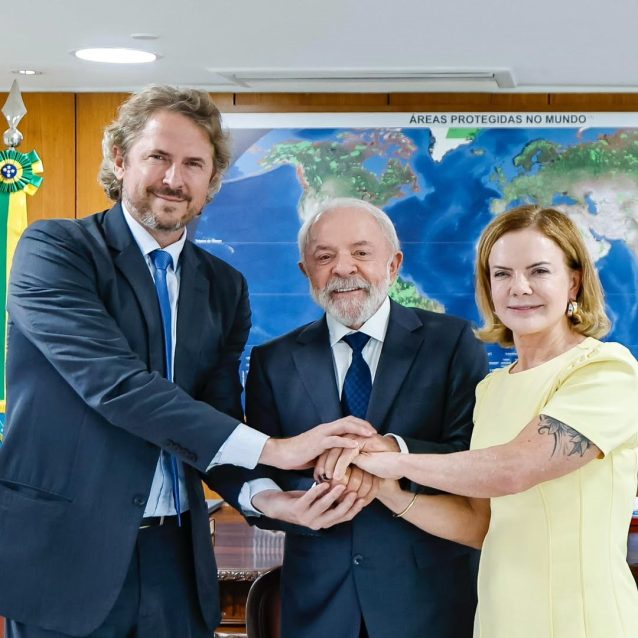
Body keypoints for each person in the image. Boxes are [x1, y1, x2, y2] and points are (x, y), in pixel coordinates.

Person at [0, 86, 375, 638]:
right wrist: (274, 449)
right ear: (120, 159)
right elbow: (116, 385)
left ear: (212, 180)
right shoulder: (55, 251)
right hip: (66, 559)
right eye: (158, 157)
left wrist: (268, 497)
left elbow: (214, 416)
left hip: (176, 561)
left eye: (194, 164)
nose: (174, 179)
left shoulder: (224, 286)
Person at [353, 205, 638, 638]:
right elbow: (481, 525)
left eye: (539, 271)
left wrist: (394, 459)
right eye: (502, 274)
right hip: (499, 623)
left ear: (574, 281)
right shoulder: (491, 389)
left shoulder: (607, 370)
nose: (519, 287)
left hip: (582, 622)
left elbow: (513, 469)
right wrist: (388, 492)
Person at [213, 198, 488, 638]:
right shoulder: (273, 361)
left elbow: (471, 458)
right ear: (306, 271)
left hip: (430, 604)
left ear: (394, 265)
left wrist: (390, 457)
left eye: (361, 252)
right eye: (324, 257)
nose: (343, 268)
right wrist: (319, 490)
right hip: (319, 607)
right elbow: (264, 471)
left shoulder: (452, 343)